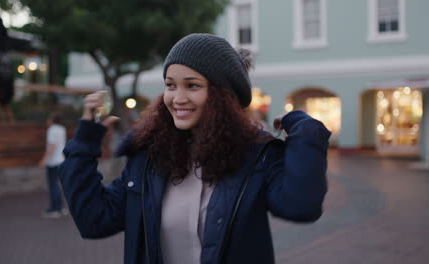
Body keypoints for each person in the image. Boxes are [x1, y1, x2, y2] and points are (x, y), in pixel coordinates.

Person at [59, 33, 331, 263]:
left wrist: (303, 128)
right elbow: (94, 219)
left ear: (222, 96)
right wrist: (84, 143)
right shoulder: (148, 159)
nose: (177, 98)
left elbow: (302, 205)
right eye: (170, 85)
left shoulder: (257, 157)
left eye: (192, 85)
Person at [39, 112, 67, 218]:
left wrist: (44, 160)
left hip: (53, 161)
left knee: (53, 185)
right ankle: (61, 208)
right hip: (62, 160)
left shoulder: (52, 130)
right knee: (59, 185)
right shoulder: (62, 129)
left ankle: (54, 209)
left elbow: (52, 146)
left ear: (52, 120)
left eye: (48, 119)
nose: (47, 121)